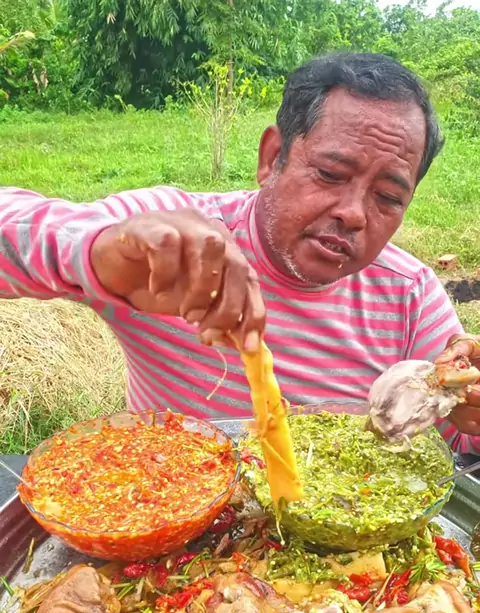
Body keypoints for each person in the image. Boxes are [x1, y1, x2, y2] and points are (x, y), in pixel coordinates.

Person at [1, 51, 480, 451]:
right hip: (173, 506)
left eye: (388, 197)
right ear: (272, 157)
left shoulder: (408, 295)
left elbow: (457, 439)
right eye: (330, 174)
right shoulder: (176, 241)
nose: (354, 213)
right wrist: (98, 253)